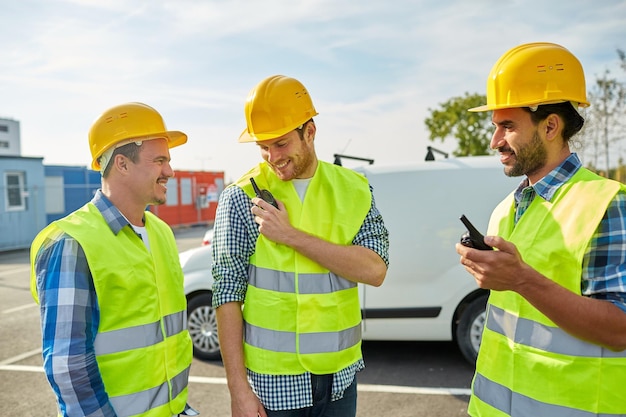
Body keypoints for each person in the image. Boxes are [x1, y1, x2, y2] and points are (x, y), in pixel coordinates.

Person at [456, 42, 626, 416]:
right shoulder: (505, 209)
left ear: (550, 125)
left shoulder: (608, 204)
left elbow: (620, 329)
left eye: (507, 126)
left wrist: (521, 279)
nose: (494, 141)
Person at [211, 75, 390, 417]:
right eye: (263, 146)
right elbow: (227, 294)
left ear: (310, 132)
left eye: (280, 144)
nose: (271, 157)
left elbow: (375, 270)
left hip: (340, 378)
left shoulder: (354, 189)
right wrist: (237, 391)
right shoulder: (240, 197)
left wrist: (291, 236)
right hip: (273, 385)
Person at [30, 102, 198, 417]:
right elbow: (69, 368)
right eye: (159, 160)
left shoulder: (161, 232)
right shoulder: (71, 244)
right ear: (121, 164)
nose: (170, 172)